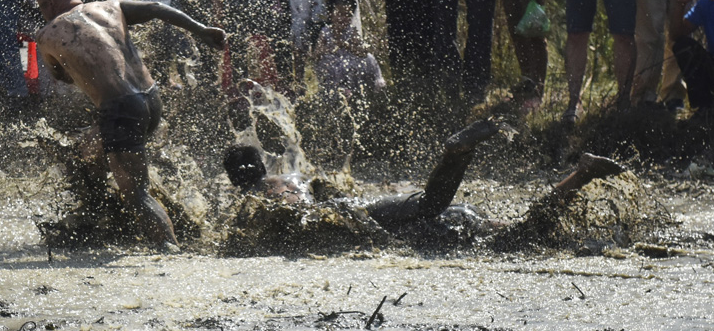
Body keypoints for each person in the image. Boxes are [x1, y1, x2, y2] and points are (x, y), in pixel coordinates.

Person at [35, 0, 225, 249]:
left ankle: (171, 251)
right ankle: (99, 220)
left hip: (121, 110)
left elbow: (61, 76)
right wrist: (202, 30)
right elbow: (157, 8)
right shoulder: (110, 6)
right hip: (151, 99)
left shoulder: (47, 34)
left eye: (41, 7)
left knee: (136, 195)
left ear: (49, 3)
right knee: (86, 152)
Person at [224, 120, 625, 232]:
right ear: (262, 163)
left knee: (434, 204)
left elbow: (298, 214)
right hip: (400, 218)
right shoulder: (289, 175)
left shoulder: (258, 197)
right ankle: (582, 173)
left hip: (368, 216)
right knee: (518, 231)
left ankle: (457, 153)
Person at [313, 0, 385, 100]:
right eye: (340, 14)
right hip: (332, 63)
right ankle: (337, 93)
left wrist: (347, 45)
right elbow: (317, 53)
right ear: (330, 14)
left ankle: (372, 89)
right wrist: (329, 48)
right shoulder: (326, 31)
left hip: (348, 62)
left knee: (369, 58)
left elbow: (361, 52)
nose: (343, 18)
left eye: (348, 15)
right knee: (335, 65)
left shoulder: (351, 32)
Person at [671, 0, 714, 111]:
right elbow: (677, 35)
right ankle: (703, 107)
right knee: (683, 47)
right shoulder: (707, 3)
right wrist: (681, 4)